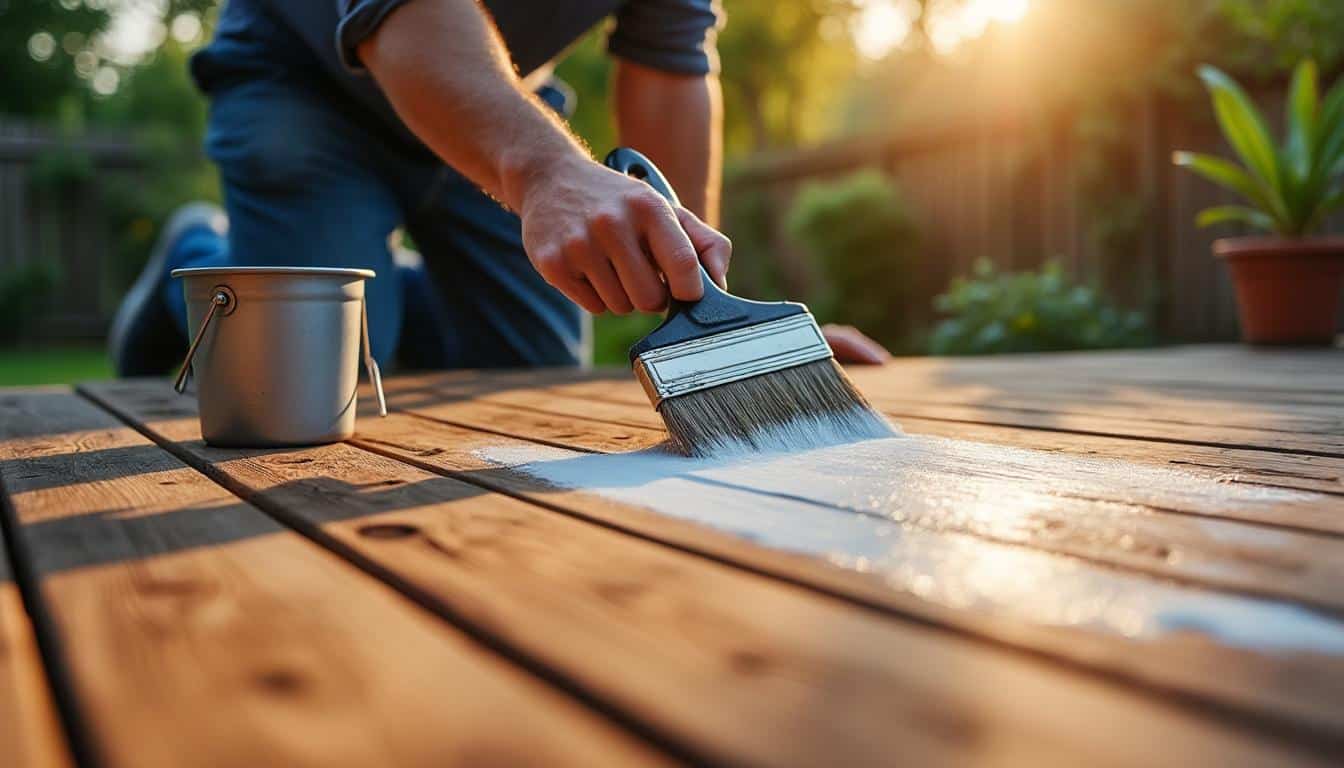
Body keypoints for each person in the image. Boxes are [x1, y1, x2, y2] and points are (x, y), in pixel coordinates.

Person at [109, 0, 891, 376]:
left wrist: (721, 320)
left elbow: (670, 58)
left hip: (497, 98)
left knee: (529, 381)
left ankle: (378, 302)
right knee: (316, 388)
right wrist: (548, 172)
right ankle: (203, 256)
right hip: (301, 85)